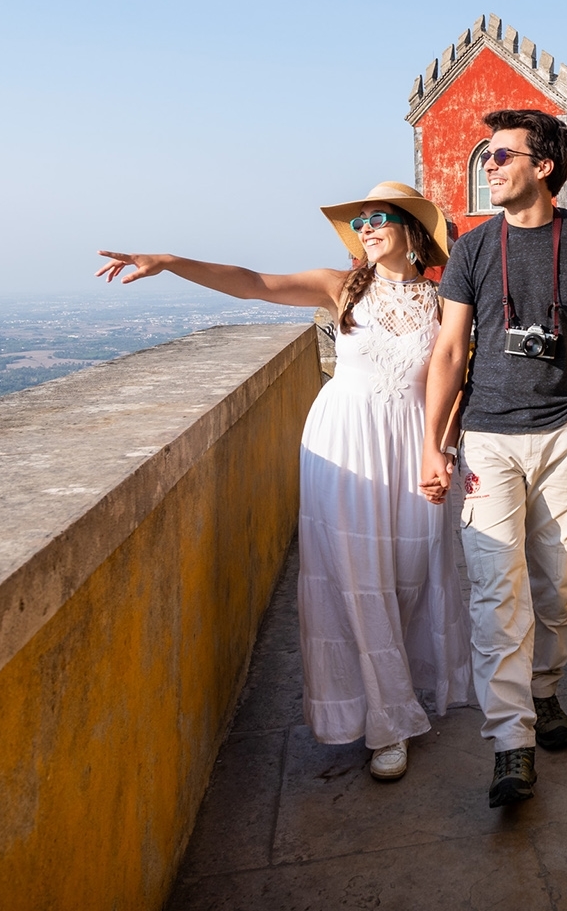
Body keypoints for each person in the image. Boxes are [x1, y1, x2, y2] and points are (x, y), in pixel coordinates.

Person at [96, 181, 469, 784]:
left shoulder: (445, 297)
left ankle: (402, 688)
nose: (366, 228)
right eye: (360, 221)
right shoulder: (340, 286)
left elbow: (455, 374)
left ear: (411, 230)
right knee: (355, 579)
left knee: (411, 571)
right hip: (344, 438)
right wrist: (169, 262)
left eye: (379, 218)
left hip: (413, 442)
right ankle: (386, 723)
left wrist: (443, 448)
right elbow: (254, 282)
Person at [421, 109, 567, 808]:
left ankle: (544, 694)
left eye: (502, 154)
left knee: (558, 580)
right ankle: (511, 742)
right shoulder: (475, 251)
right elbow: (449, 351)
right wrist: (434, 443)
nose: (489, 165)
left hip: (563, 432)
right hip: (487, 436)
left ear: (543, 166)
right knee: (494, 588)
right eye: (486, 155)